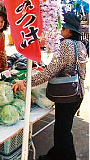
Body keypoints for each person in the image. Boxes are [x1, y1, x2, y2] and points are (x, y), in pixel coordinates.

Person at [12, 12, 88, 160]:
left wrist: (26, 82)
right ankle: (53, 155)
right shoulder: (80, 44)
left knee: (63, 132)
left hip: (67, 95)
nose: (59, 30)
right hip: (77, 92)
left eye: (62, 27)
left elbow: (50, 72)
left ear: (69, 30)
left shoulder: (66, 44)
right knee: (62, 128)